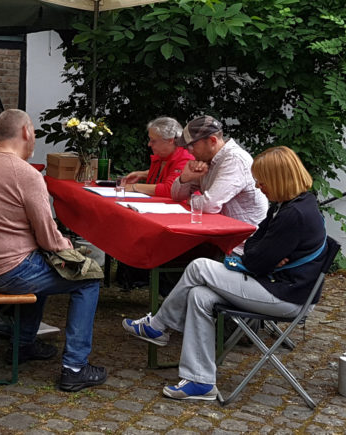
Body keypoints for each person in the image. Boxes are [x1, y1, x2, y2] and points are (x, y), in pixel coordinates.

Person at [122, 146, 327, 401]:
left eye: (262, 180)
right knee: (199, 295)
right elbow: (252, 241)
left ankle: (158, 325)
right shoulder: (290, 205)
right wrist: (264, 254)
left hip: (286, 297)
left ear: (278, 178)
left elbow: (253, 259)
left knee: (199, 266)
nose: (258, 185)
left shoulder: (293, 214)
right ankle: (200, 381)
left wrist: (263, 256)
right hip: (276, 285)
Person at [0, 109, 107, 392]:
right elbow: (49, 237)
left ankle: (23, 344)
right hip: (5, 270)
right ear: (27, 132)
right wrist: (71, 250)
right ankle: (75, 367)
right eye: (35, 132)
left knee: (43, 266)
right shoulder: (26, 173)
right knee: (88, 278)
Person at [171, 116, 267, 250]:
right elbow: (176, 196)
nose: (188, 150)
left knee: (174, 246)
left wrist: (190, 200)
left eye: (192, 145)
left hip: (243, 246)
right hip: (222, 237)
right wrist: (185, 178)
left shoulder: (234, 160)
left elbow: (209, 205)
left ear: (212, 141)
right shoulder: (207, 159)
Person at [122, 117, 193, 197]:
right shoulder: (162, 155)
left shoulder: (185, 158)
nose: (149, 144)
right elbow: (169, 173)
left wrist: (134, 187)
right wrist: (141, 174)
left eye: (153, 141)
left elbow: (170, 189)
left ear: (170, 140)